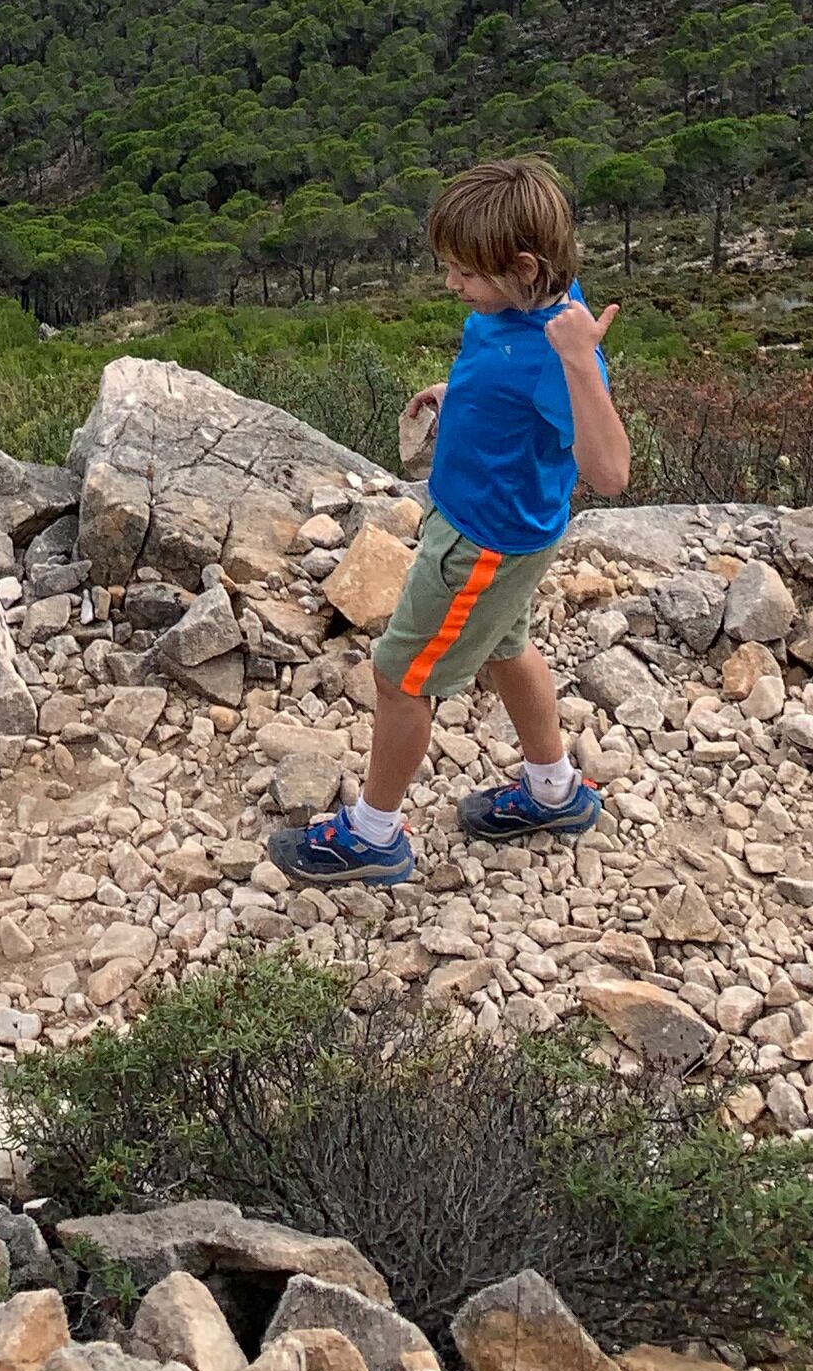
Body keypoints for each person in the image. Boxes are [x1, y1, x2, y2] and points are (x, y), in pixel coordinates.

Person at [269, 156, 629, 889]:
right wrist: (457, 398)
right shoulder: (521, 311)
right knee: (506, 645)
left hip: (484, 543)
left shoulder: (559, 349)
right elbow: (507, 384)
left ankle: (373, 837)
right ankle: (553, 791)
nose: (452, 285)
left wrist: (584, 367)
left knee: (399, 675)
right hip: (495, 528)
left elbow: (611, 471)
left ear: (524, 267)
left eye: (465, 273)